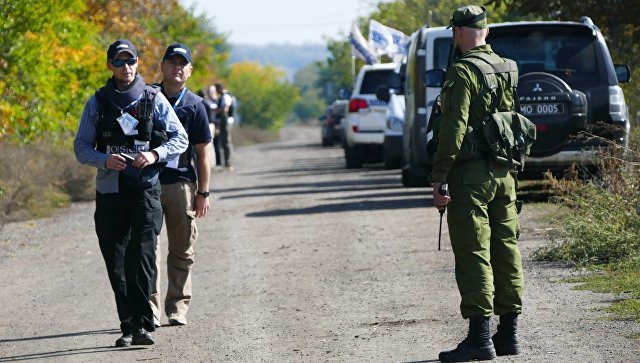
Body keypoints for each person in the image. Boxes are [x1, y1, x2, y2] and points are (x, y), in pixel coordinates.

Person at [74, 39, 188, 347]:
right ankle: (127, 324)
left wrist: (155, 155)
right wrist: (102, 159)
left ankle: (142, 324)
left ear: (137, 63)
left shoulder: (153, 98)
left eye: (131, 61)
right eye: (120, 62)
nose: (126, 67)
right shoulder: (97, 101)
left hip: (146, 190)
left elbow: (181, 138)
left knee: (142, 256)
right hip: (110, 191)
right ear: (110, 65)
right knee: (117, 260)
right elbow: (81, 147)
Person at [431, 6, 523, 362]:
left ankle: (479, 340)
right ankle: (509, 335)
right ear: (487, 32)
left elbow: (454, 129)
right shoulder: (508, 67)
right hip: (504, 173)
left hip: (470, 176)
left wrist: (439, 176)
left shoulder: (463, 70)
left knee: (474, 252)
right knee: (506, 251)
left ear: (456, 32)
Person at [151, 43, 212, 327]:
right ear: (162, 66)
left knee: (181, 249)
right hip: (147, 184)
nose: (176, 68)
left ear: (189, 70)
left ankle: (177, 307)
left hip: (181, 185)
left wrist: (203, 192)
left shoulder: (195, 106)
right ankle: (148, 310)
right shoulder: (146, 97)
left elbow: (203, 153)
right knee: (146, 249)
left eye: (182, 63)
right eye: (171, 62)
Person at [202, 84, 223, 170]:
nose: (212, 93)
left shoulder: (216, 102)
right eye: (210, 92)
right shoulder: (205, 102)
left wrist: (217, 126)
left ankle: (215, 163)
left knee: (215, 145)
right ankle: (210, 163)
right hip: (208, 125)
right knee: (209, 145)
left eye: (213, 92)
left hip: (213, 125)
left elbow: (218, 116)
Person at [214, 82, 233, 170]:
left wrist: (215, 110)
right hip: (222, 121)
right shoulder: (221, 96)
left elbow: (225, 109)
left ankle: (228, 162)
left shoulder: (226, 96)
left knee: (226, 141)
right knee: (223, 142)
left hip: (225, 121)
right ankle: (225, 162)